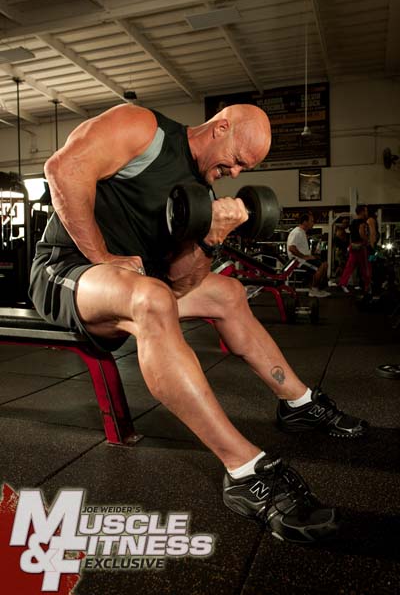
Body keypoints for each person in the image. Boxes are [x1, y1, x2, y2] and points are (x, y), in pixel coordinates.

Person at [29, 103, 367, 544]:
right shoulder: (143, 129)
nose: (235, 172)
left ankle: (298, 403)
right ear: (221, 127)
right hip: (66, 271)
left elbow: (180, 282)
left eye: (245, 169)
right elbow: (62, 169)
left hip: (134, 282)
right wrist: (103, 257)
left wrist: (211, 237)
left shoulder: (202, 194)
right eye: (238, 160)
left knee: (228, 293)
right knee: (151, 299)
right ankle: (244, 470)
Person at [286, 213, 330, 297]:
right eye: (311, 221)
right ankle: (314, 290)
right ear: (305, 222)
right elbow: (291, 248)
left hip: (303, 260)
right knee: (322, 266)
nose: (313, 223)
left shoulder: (302, 232)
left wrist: (310, 256)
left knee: (324, 264)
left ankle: (316, 288)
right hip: (299, 262)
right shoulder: (297, 232)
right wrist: (304, 257)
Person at [339, 204, 371, 294]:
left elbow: (351, 235)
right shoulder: (362, 222)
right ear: (362, 212)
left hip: (353, 246)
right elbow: (361, 233)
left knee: (349, 266)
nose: (367, 212)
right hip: (361, 247)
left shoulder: (353, 223)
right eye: (366, 211)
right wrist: (368, 240)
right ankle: (367, 286)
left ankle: (343, 283)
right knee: (365, 267)